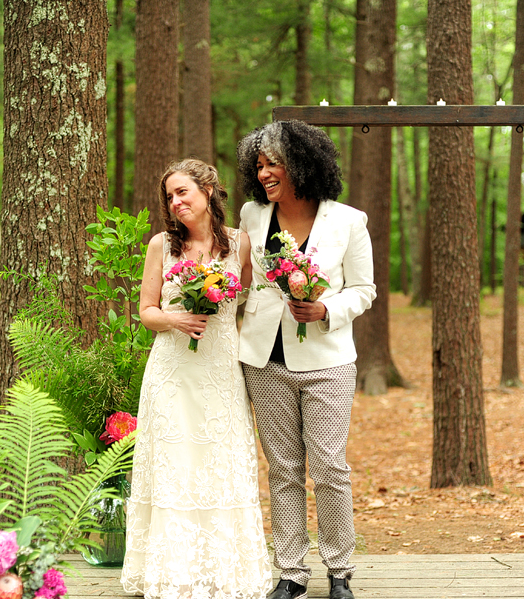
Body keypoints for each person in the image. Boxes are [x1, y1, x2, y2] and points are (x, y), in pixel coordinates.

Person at [236, 120, 376, 599]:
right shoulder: (252, 215)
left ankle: (340, 571)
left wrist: (325, 309)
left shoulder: (348, 221)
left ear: (302, 164)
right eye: (259, 165)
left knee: (330, 469)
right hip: (262, 358)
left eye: (273, 163)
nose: (264, 173)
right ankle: (291, 573)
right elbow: (240, 279)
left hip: (328, 360)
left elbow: (364, 290)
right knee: (282, 469)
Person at [121, 159, 272, 599]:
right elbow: (146, 311)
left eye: (183, 192)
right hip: (171, 371)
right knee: (175, 464)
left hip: (221, 369)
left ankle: (225, 570)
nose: (176, 202)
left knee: (218, 461)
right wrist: (174, 319)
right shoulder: (160, 247)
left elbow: (252, 299)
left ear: (208, 190)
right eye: (169, 196)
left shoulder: (240, 244)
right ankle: (172, 571)